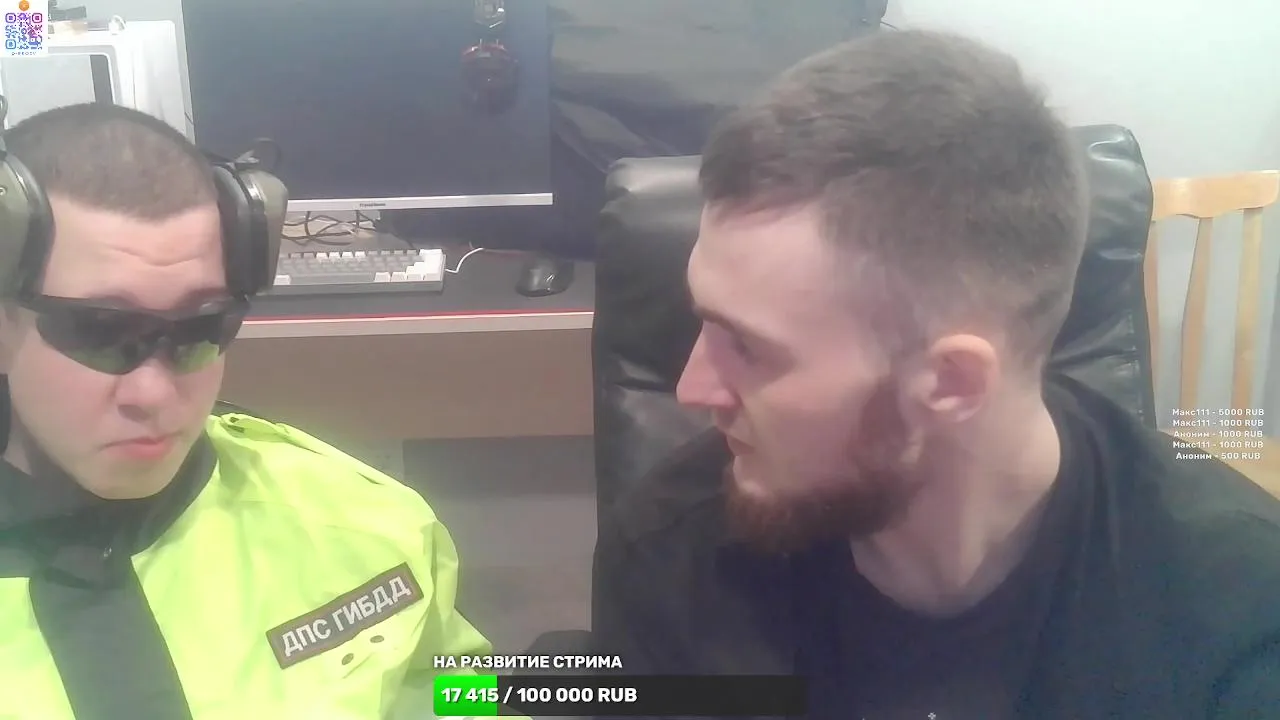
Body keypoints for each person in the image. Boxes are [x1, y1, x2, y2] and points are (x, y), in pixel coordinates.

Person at [591, 30, 1280, 719]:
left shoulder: (1232, 615)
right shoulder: (672, 561)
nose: (691, 388)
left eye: (748, 347)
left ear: (951, 383)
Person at [0, 102, 490, 719]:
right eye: (100, 331)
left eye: (202, 328)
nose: (155, 394)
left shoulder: (368, 525)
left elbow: (467, 701)